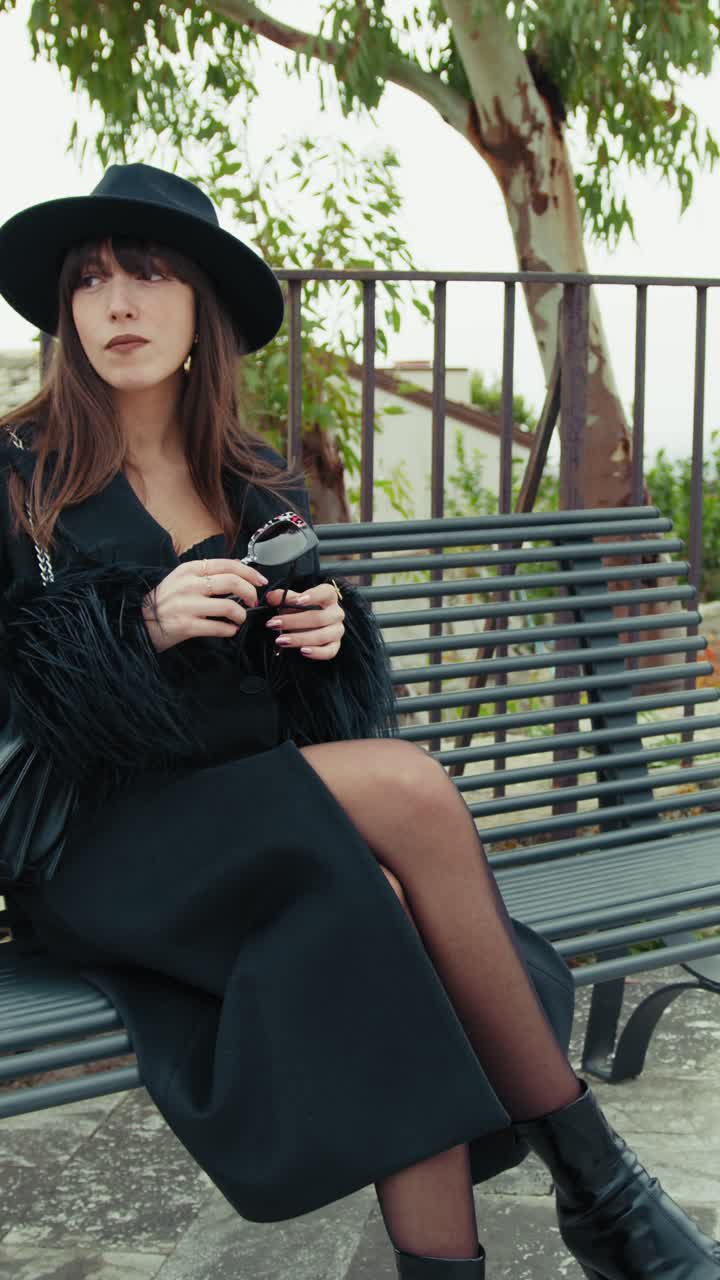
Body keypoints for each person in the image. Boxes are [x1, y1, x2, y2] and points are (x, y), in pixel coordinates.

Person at [0, 163, 717, 1280]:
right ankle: (602, 1189)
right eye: (89, 281)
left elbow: (284, 716)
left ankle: (524, 1234)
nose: (117, 303)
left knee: (379, 919)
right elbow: (31, 681)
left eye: (148, 274)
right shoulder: (21, 475)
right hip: (97, 843)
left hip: (248, 825)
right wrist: (131, 627)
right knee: (406, 788)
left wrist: (325, 640)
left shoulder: (253, 483)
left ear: (203, 311)